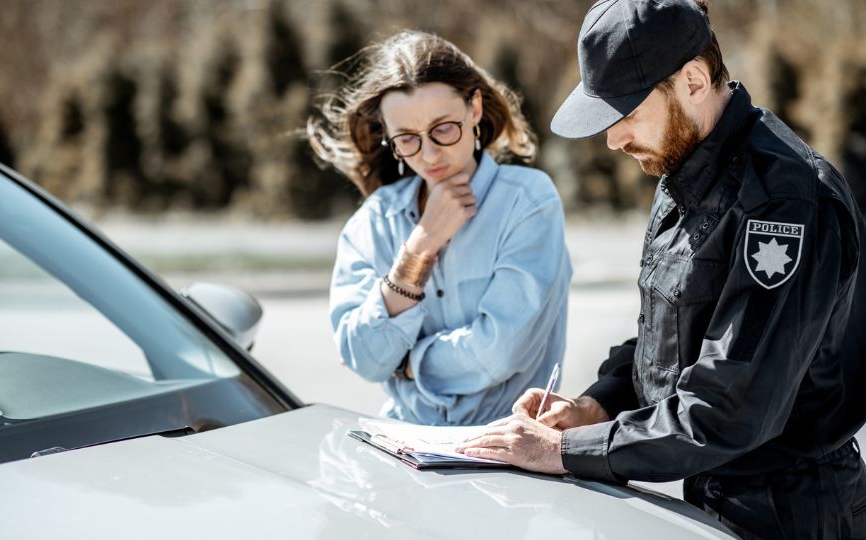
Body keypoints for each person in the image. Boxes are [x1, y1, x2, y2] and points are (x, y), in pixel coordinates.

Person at [457, 0, 866, 537]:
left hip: (791, 514)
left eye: (625, 112)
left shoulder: (784, 202)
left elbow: (727, 408)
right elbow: (673, 341)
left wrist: (563, 451)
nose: (612, 139)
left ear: (693, 80)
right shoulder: (687, 168)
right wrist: (592, 407)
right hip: (710, 498)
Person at [308, 31, 571, 426]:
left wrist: (408, 364)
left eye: (443, 128)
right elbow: (363, 358)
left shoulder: (528, 201)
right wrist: (416, 253)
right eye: (408, 139)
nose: (429, 154)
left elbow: (499, 352)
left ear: (475, 109)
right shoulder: (375, 220)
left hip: (506, 452)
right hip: (400, 446)